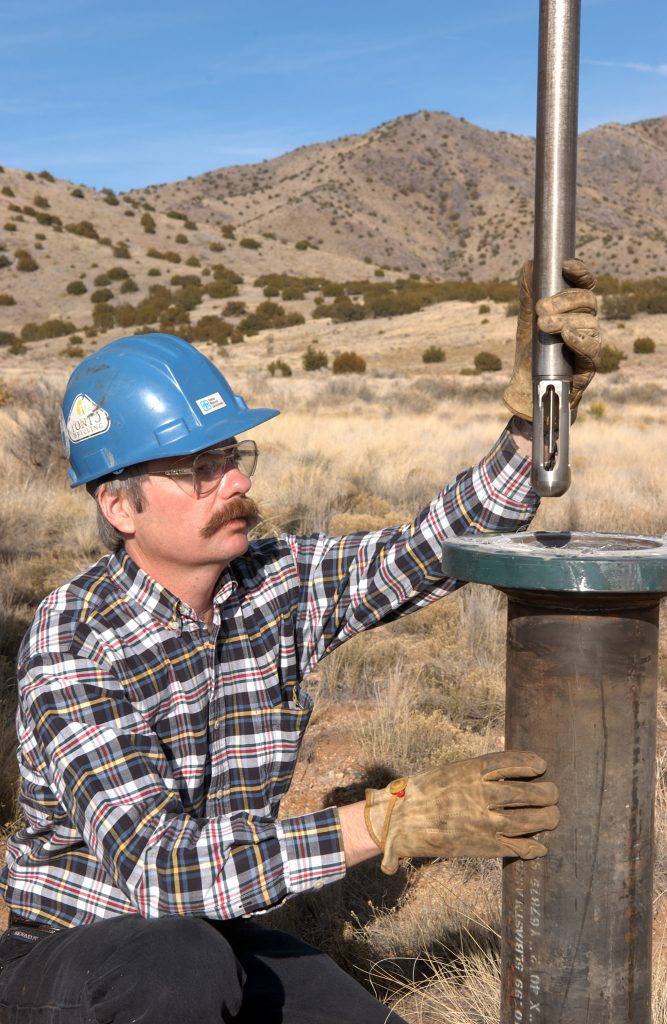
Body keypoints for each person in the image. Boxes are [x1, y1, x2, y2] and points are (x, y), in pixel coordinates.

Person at [0, 261, 600, 1023]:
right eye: (198, 469)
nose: (233, 484)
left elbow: (430, 548)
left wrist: (534, 421)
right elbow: (162, 874)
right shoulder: (73, 637)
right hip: (75, 954)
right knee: (175, 958)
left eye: (232, 458)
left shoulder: (274, 583)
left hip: (217, 936)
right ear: (119, 503)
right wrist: (390, 821)